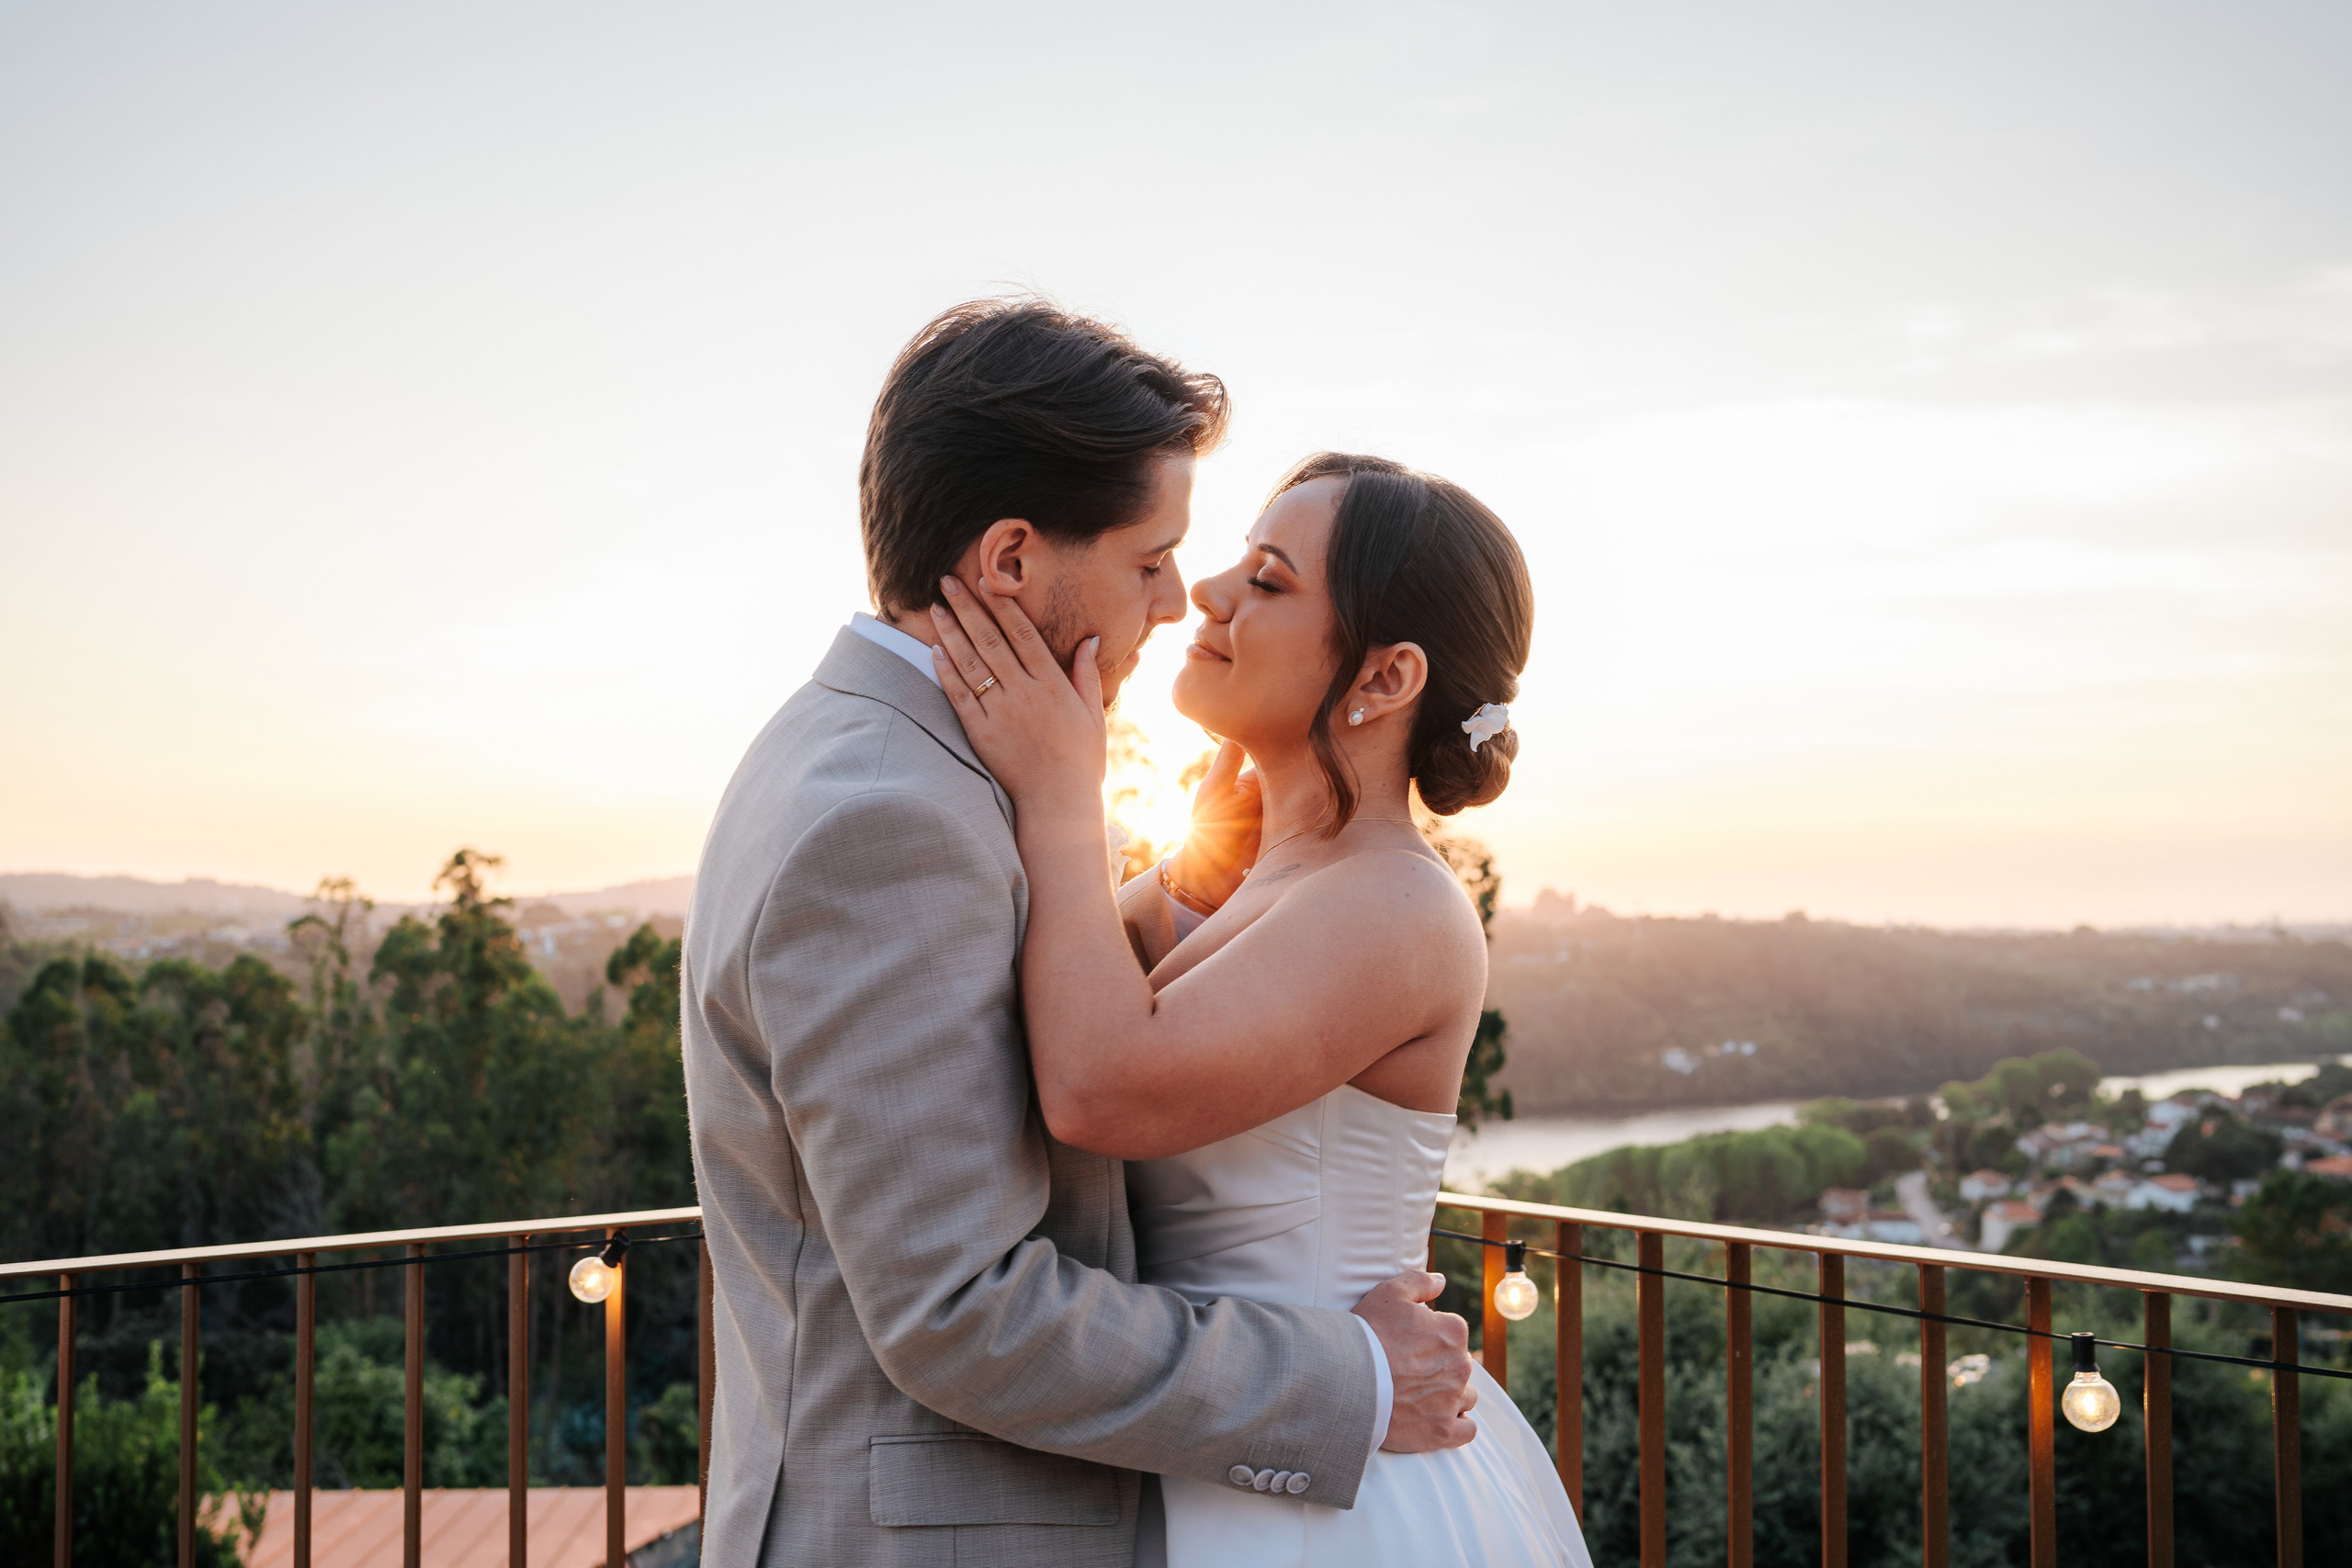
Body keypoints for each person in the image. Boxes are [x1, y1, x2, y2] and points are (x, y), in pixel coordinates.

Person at [681, 300, 1478, 1568]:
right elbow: (958, 1307)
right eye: (1151, 556)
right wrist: (1354, 1378)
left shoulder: (884, 758)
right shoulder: (891, 816)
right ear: (1009, 561)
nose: (1178, 597)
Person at [924, 450, 1592, 1566]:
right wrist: (1180, 884)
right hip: (1230, 1443)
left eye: (1271, 581)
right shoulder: (1279, 876)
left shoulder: (1392, 901)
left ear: (1383, 680)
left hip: (1326, 1496)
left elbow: (1098, 1084)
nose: (1209, 595)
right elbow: (1089, 980)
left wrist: (1059, 792)